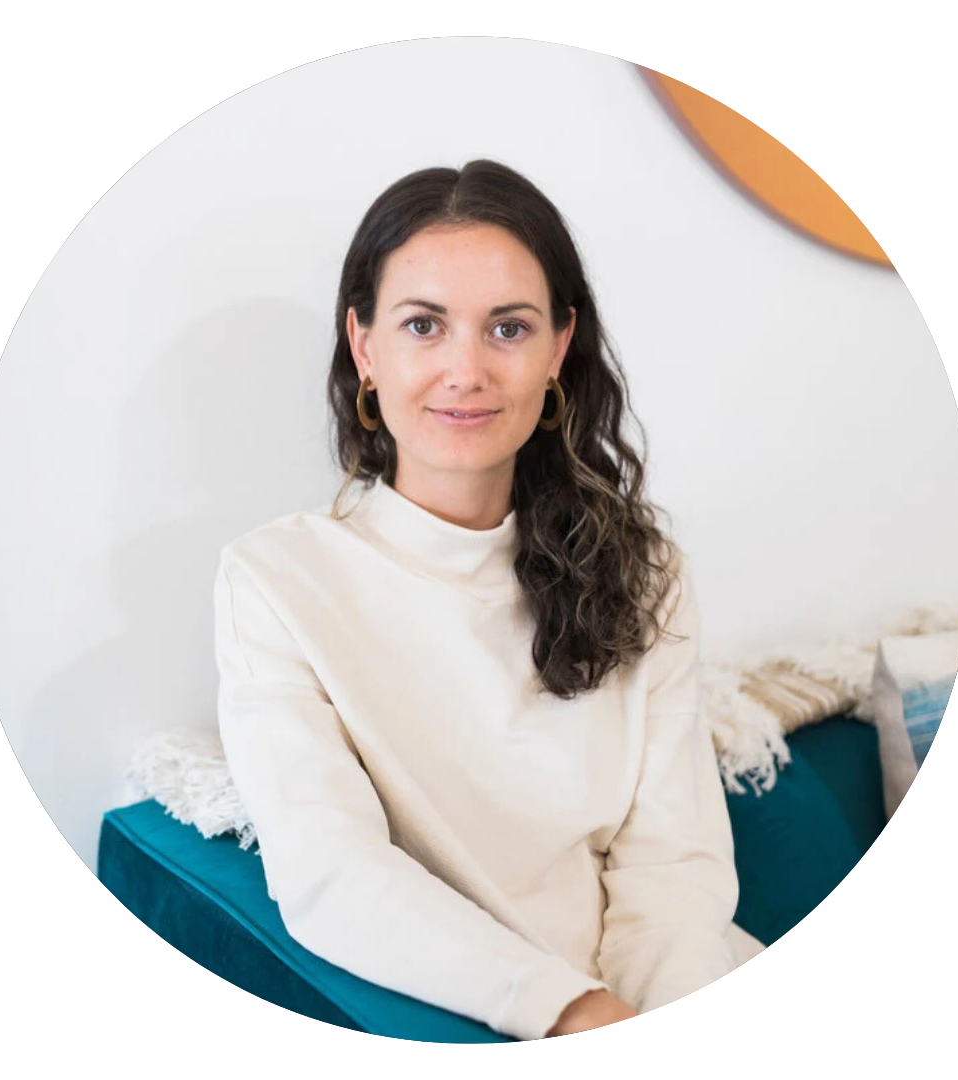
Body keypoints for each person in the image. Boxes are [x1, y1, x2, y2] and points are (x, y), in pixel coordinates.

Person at [213, 159, 742, 1041]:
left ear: (558, 350)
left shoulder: (644, 570)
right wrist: (571, 1012)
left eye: (508, 328)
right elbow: (331, 875)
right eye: (423, 325)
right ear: (365, 347)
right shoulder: (277, 582)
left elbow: (674, 873)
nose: (466, 370)